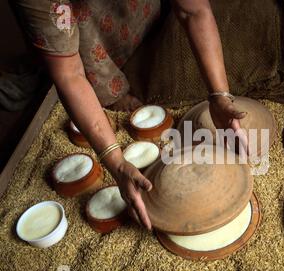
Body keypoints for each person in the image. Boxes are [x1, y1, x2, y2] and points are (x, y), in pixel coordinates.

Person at [12, 0, 247, 230]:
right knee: (62, 50)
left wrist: (219, 96)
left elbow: (194, 10)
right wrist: (117, 162)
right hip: (75, 26)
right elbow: (70, 74)